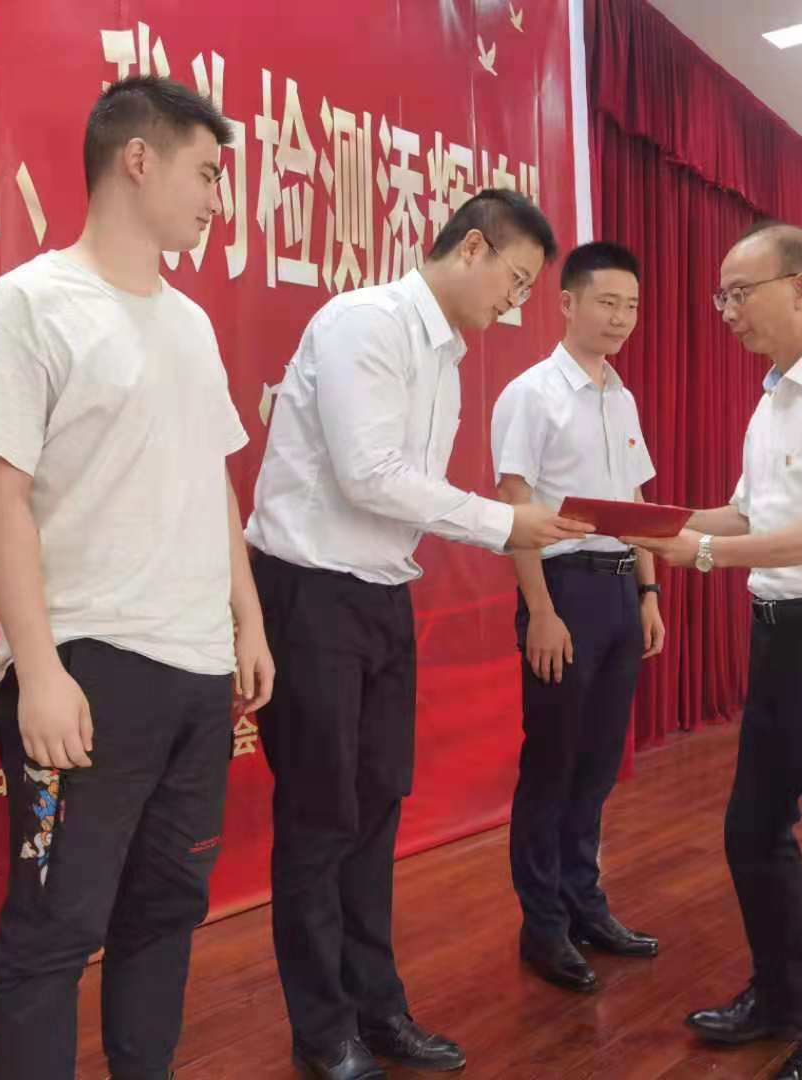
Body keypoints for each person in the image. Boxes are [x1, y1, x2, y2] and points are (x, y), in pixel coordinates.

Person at [0, 75, 273, 1080]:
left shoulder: (191, 323)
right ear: (138, 159)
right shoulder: (30, 304)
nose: (216, 198)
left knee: (166, 910)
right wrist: (38, 669)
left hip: (197, 672)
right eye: (205, 173)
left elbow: (213, 481)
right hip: (88, 670)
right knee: (56, 927)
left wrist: (247, 620)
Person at [246, 188, 592, 1080]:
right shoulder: (365, 323)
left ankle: (378, 1007)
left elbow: (402, 493)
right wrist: (503, 523)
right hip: (310, 592)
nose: (514, 303)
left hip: (381, 594)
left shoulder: (446, 356)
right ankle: (323, 1032)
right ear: (471, 248)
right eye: (516, 281)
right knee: (320, 817)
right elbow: (369, 476)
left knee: (376, 808)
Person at [628, 222, 802, 1080]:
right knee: (752, 830)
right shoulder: (773, 396)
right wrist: (650, 523)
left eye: (738, 292)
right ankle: (780, 994)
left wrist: (704, 554)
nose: (725, 310)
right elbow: (750, 514)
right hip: (779, 638)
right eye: (721, 295)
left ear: (801, 288)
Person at [490, 241, 665, 994]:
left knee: (596, 764)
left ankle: (586, 905)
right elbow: (515, 505)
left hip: (621, 591)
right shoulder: (531, 394)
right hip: (562, 591)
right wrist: (540, 611)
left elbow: (638, 504)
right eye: (607, 302)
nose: (620, 318)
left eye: (631, 306)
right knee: (552, 764)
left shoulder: (621, 396)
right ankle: (543, 925)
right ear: (567, 303)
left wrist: (649, 593)